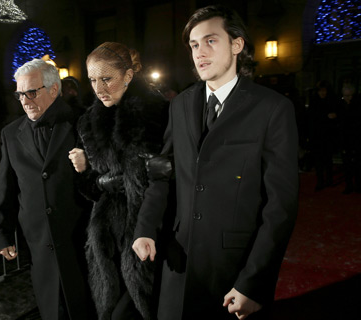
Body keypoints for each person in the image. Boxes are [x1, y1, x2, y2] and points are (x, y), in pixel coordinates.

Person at [132, 5, 299, 320]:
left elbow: (281, 206)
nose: (199, 52)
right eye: (194, 45)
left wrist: (254, 282)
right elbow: (163, 175)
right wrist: (146, 228)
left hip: (233, 270)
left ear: (237, 45)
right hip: (177, 262)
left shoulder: (272, 108)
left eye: (210, 41)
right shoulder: (179, 105)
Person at [68, 42, 168, 320]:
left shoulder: (158, 112)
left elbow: (162, 177)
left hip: (150, 232)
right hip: (107, 237)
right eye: (92, 80)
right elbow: (87, 188)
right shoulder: (88, 122)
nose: (98, 88)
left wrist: (111, 179)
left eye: (106, 78)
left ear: (127, 76)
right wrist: (88, 173)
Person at [0, 59, 92, 320]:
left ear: (54, 90)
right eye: (19, 94)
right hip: (38, 241)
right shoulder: (11, 134)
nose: (24, 100)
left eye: (31, 92)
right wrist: (2, 232)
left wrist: (88, 166)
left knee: (86, 306)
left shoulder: (83, 122)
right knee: (51, 308)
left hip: (80, 237)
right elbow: (6, 185)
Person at [308, 80, 338, 191]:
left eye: (324, 91)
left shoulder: (332, 101)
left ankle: (329, 180)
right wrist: (326, 116)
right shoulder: (314, 102)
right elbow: (312, 118)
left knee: (328, 159)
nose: (322, 93)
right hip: (317, 136)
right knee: (319, 161)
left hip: (328, 135)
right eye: (321, 91)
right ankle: (320, 181)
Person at [337, 84, 361, 194]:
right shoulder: (340, 105)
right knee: (347, 166)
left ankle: (358, 186)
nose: (347, 98)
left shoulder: (357, 105)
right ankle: (349, 186)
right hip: (344, 139)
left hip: (356, 139)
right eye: (345, 96)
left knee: (357, 165)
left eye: (349, 96)